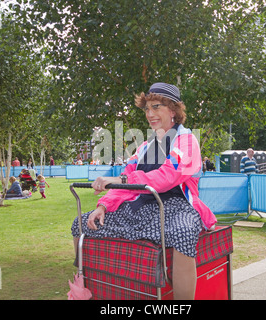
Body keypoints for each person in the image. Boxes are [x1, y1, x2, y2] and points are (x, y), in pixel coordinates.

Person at [71, 82, 217, 300]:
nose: (150, 114)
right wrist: (103, 206)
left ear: (173, 110)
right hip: (142, 205)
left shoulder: (187, 141)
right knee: (81, 224)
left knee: (183, 232)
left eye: (156, 107)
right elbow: (125, 184)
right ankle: (91, 289)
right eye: (147, 109)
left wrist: (120, 179)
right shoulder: (143, 148)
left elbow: (167, 177)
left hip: (178, 206)